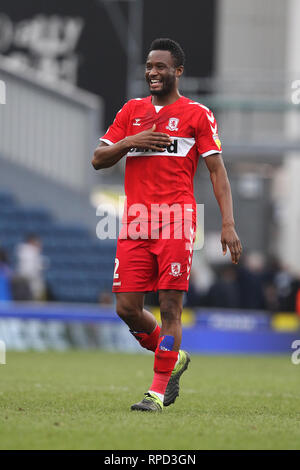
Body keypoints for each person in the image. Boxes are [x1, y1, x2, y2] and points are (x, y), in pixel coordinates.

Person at [92, 38, 242, 412]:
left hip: (176, 218)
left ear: (178, 71)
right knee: (126, 308)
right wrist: (132, 141)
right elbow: (98, 159)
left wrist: (228, 223)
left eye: (161, 66)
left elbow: (216, 171)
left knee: (170, 307)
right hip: (135, 221)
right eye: (149, 66)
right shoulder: (132, 111)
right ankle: (172, 356)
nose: (152, 72)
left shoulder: (197, 114)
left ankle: (156, 392)